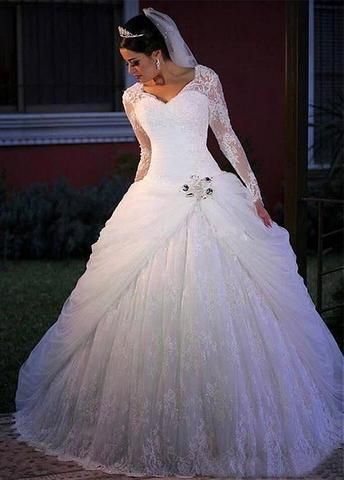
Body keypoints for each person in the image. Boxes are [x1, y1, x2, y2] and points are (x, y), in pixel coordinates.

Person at [11, 6, 343, 479]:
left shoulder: (205, 80)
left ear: (159, 54)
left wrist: (255, 196)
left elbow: (226, 138)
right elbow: (146, 154)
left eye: (135, 61)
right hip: (156, 198)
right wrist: (131, 205)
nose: (131, 70)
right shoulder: (132, 98)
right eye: (128, 63)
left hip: (212, 195)